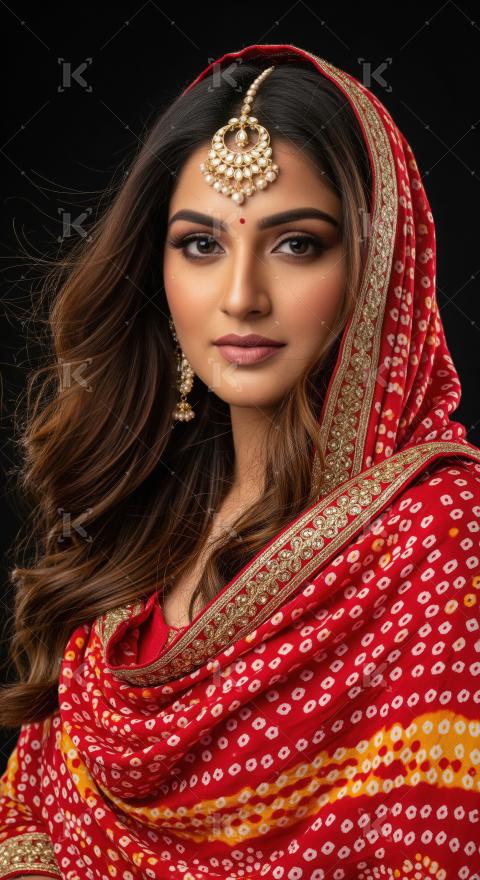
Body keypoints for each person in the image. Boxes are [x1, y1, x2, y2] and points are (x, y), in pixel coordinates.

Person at [1, 41, 480, 880]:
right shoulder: (131, 523)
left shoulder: (443, 541)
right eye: (201, 245)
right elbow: (33, 815)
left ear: (376, 270)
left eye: (297, 244)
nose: (240, 296)